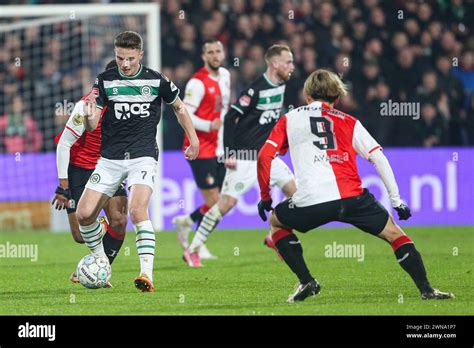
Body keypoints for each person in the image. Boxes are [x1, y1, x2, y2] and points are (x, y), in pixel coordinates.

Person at [257, 69, 455, 302]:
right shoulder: (350, 121)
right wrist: (396, 200)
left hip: (312, 201)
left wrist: (265, 196)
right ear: (337, 98)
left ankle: (306, 281)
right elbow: (379, 157)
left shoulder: (289, 119)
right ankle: (427, 290)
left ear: (307, 96)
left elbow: (264, 156)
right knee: (395, 235)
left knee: (276, 222)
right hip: (353, 198)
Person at [77, 31, 199, 292]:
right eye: (120, 58)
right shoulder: (105, 80)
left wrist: (193, 139)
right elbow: (92, 125)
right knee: (84, 214)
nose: (125, 64)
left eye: (130, 58)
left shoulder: (156, 80)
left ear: (140, 55)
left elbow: (179, 108)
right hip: (110, 159)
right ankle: (101, 262)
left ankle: (146, 274)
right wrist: (88, 116)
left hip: (142, 156)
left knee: (137, 210)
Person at [183, 44, 296, 267]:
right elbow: (229, 118)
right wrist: (230, 152)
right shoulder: (255, 90)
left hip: (268, 156)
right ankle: (193, 249)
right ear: (274, 64)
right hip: (246, 157)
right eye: (288, 62)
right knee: (225, 204)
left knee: (297, 195)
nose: (292, 66)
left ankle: (276, 234)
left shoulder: (282, 85)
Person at [52, 60, 128, 285]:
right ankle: (99, 226)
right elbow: (64, 144)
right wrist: (63, 186)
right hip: (81, 168)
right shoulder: (86, 105)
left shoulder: (129, 107)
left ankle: (100, 269)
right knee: (78, 235)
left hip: (109, 166)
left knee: (120, 219)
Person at [172, 39, 231, 260]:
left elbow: (221, 111)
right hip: (198, 147)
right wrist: (208, 125)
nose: (215, 55)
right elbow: (183, 113)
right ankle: (198, 244)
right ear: (204, 56)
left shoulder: (225, 75)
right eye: (211, 52)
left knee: (219, 201)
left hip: (218, 148)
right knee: (216, 203)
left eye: (218, 51)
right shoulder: (196, 83)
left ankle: (186, 221)